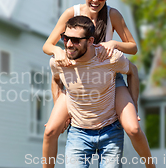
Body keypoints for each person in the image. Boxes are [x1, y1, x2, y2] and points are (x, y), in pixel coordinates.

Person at [41, 0, 155, 168]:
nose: (95, 0)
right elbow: (48, 45)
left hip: (108, 75)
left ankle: (150, 164)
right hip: (76, 77)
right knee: (51, 129)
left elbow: (133, 47)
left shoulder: (112, 15)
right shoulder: (72, 14)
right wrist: (58, 50)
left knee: (132, 128)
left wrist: (114, 43)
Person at [50, 16, 136, 167]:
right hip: (78, 133)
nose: (69, 44)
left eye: (75, 40)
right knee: (49, 131)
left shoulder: (110, 57)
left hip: (110, 131)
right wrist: (61, 111)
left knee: (134, 129)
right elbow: (56, 79)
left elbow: (133, 70)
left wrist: (133, 105)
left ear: (90, 41)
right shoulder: (60, 61)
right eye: (65, 38)